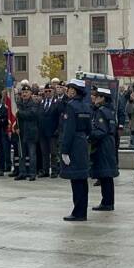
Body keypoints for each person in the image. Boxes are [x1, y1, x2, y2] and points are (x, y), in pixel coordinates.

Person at [60, 79, 91, 221]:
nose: (68, 91)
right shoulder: (86, 106)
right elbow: (89, 129)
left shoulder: (71, 106)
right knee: (82, 179)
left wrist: (65, 150)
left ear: (74, 91)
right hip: (83, 142)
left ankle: (78, 212)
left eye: (70, 89)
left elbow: (68, 130)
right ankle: (81, 211)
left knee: (76, 179)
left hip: (73, 144)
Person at [90, 87, 118, 211]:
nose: (93, 98)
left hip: (103, 145)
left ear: (102, 98)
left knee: (105, 174)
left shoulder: (101, 111)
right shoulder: (109, 110)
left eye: (96, 96)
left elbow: (101, 131)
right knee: (107, 175)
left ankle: (107, 203)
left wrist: (89, 134)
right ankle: (108, 201)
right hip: (109, 143)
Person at [14, 85, 40, 181]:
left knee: (32, 154)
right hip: (20, 132)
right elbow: (14, 119)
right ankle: (22, 172)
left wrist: (19, 113)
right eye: (23, 92)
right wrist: (15, 127)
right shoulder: (18, 104)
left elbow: (31, 114)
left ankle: (32, 173)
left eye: (26, 92)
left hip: (31, 132)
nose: (24, 94)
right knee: (21, 154)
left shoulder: (34, 103)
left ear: (30, 93)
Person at [38, 83, 60, 178]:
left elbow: (60, 118)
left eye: (49, 91)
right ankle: (45, 170)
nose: (47, 93)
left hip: (53, 132)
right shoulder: (42, 102)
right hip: (42, 132)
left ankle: (54, 171)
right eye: (46, 91)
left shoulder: (57, 103)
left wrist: (58, 129)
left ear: (53, 92)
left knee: (53, 153)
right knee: (44, 153)